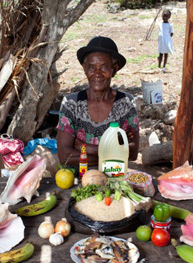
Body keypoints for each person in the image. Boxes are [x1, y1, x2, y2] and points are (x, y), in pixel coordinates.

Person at [56, 36, 140, 168]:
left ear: (114, 69)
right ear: (85, 69)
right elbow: (65, 156)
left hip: (115, 177)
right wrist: (115, 150)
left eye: (104, 67)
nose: (97, 73)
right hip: (78, 179)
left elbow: (133, 153)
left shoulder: (126, 104)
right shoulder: (72, 104)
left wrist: (85, 147)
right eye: (92, 67)